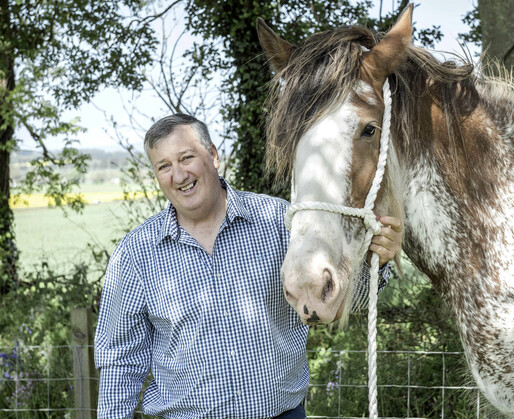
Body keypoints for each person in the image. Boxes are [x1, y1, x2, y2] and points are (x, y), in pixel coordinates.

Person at [94, 113, 403, 418]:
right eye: (164, 166)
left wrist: (377, 263)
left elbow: (338, 305)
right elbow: (120, 360)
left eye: (186, 158)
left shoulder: (279, 222)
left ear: (213, 155)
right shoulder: (136, 254)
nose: (178, 175)